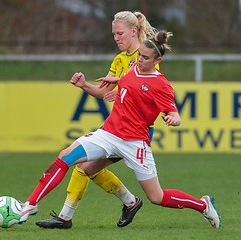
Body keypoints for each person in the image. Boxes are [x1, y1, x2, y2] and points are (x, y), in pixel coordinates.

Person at [19, 30, 222, 229]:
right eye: (139, 55)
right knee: (66, 158)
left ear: (156, 61)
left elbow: (174, 113)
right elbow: (130, 80)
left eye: (144, 58)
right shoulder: (133, 69)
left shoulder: (161, 85)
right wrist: (106, 82)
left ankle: (203, 205)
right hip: (108, 134)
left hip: (135, 142)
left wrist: (172, 119)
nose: (139, 60)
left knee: (157, 197)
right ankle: (30, 205)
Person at [35, 11, 158, 229]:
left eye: (120, 33)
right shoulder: (120, 59)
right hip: (117, 127)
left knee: (84, 167)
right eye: (113, 34)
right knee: (85, 167)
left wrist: (122, 86)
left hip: (135, 131)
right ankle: (127, 203)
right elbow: (104, 92)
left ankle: (128, 202)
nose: (116, 38)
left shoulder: (146, 54)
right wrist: (84, 85)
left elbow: (148, 85)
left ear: (134, 31)